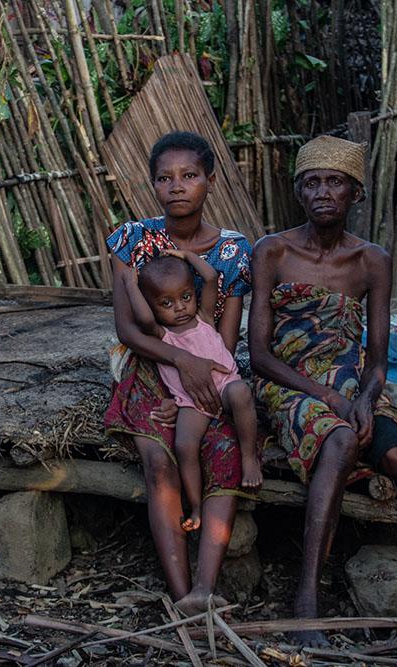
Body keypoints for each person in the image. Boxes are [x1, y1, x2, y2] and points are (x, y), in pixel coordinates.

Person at [247, 135, 397, 646]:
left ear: (356, 193)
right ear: (298, 191)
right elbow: (260, 356)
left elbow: (377, 359)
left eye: (335, 182)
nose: (322, 193)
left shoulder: (372, 260)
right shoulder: (272, 251)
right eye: (311, 183)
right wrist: (330, 399)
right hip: (289, 386)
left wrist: (364, 397)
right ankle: (307, 598)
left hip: (352, 383)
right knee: (338, 439)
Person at [105, 131, 253, 614]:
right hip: (149, 366)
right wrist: (178, 363)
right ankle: (179, 593)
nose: (177, 186)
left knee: (225, 449)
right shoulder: (132, 240)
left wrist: (199, 374)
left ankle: (205, 590)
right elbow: (129, 331)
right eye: (165, 178)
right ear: (152, 185)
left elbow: (224, 339)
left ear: (210, 180)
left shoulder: (231, 252)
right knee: (158, 461)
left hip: (210, 367)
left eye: (189, 175)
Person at [120, 249, 262, 532]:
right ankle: (196, 507)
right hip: (191, 402)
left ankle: (249, 459)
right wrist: (129, 284)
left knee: (242, 393)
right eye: (166, 303)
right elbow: (144, 319)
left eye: (185, 297)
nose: (180, 307)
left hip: (224, 387)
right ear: (154, 307)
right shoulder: (163, 336)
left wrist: (185, 255)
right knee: (185, 446)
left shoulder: (205, 317)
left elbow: (209, 276)